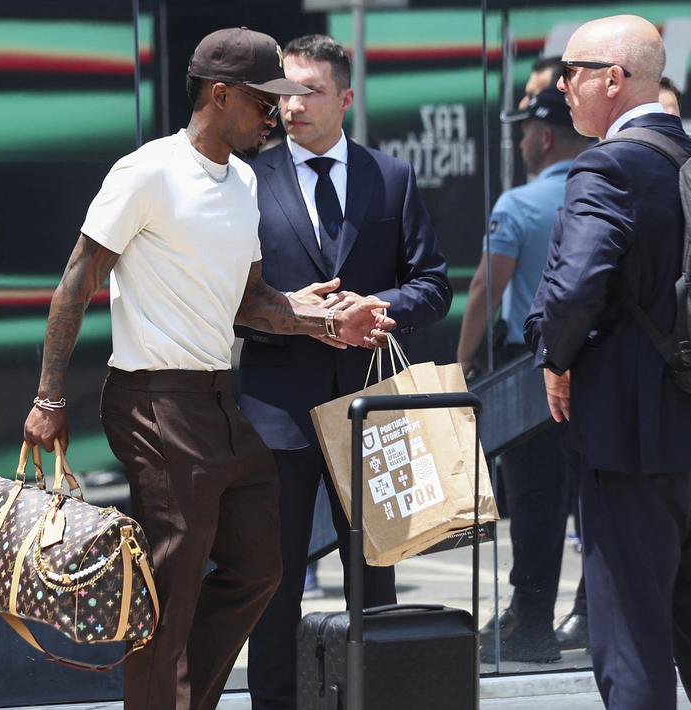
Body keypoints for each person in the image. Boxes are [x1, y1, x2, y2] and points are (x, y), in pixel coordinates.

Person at [22, 27, 393, 710]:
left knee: (260, 568)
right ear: (218, 95)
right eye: (261, 101)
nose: (275, 114)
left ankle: (182, 697)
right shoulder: (147, 171)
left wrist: (324, 319)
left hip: (220, 400)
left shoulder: (244, 179)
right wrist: (48, 397)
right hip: (153, 401)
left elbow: (252, 302)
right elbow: (77, 279)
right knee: (173, 581)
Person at [525, 15, 691, 708]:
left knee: (630, 637)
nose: (560, 84)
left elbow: (574, 287)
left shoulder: (606, 164)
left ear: (613, 78)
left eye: (572, 71)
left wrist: (554, 357)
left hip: (633, 440)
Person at [236, 34, 451, 710]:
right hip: (277, 408)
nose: (292, 105)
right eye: (284, 92)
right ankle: (274, 701)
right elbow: (226, 300)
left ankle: (372, 696)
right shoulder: (245, 178)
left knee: (375, 572)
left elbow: (434, 283)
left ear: (345, 99)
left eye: (309, 91)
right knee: (274, 578)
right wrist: (297, 317)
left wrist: (381, 304)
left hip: (371, 404)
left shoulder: (390, 177)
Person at [456, 86, 589, 663]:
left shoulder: (519, 205)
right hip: (601, 372)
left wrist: (462, 358)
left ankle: (531, 621)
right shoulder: (606, 191)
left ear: (542, 136)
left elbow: (488, 287)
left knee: (536, 501)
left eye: (523, 131)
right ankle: (595, 611)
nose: (519, 141)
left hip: (534, 375)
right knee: (596, 500)